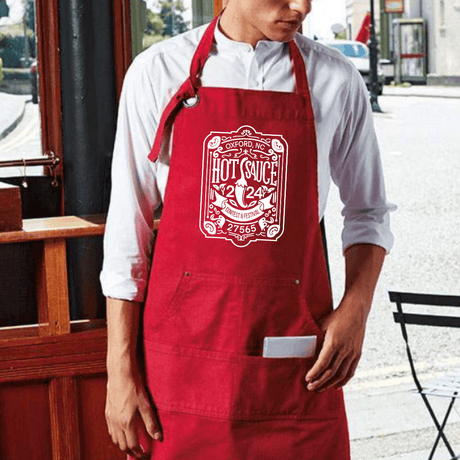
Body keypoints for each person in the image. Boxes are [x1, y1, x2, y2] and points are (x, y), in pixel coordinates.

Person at [101, 1, 394, 459]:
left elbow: (369, 211)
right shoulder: (158, 72)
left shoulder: (335, 79)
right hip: (181, 363)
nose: (301, 6)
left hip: (293, 362)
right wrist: (119, 369)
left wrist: (355, 309)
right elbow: (127, 230)